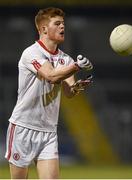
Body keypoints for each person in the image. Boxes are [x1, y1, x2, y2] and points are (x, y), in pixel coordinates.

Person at [5, 7, 93, 179]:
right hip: (23, 127)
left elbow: (69, 92)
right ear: (44, 29)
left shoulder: (66, 59)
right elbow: (51, 77)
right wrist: (77, 66)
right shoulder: (31, 53)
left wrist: (77, 87)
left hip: (48, 131)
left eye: (63, 24)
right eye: (57, 23)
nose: (63, 27)